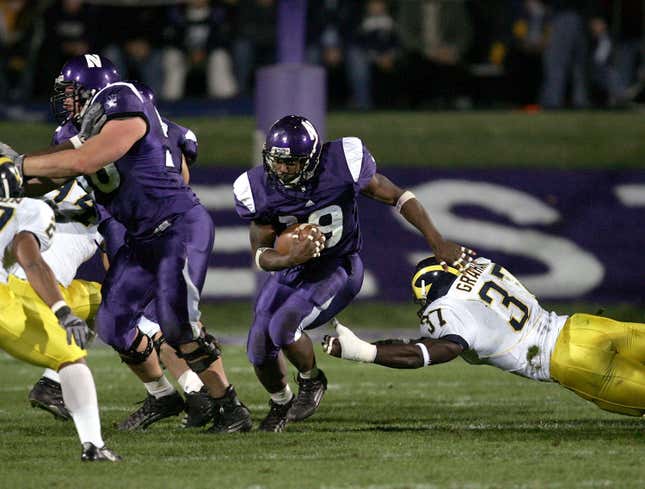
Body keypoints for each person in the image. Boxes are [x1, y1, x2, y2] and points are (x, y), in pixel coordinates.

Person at [0, 53, 252, 433]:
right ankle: (165, 396)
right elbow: (52, 179)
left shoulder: (123, 101)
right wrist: (12, 180)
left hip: (177, 228)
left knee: (177, 325)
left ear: (93, 91)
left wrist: (18, 166)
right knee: (114, 324)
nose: (65, 102)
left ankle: (229, 406)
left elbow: (87, 160)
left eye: (71, 93)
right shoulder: (76, 132)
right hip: (140, 237)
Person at [233, 114, 475, 431]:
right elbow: (261, 253)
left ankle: (311, 380)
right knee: (258, 346)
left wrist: (437, 241)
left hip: (338, 266)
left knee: (282, 326)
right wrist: (289, 257)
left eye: (289, 163)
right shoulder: (258, 187)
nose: (280, 169)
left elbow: (398, 196)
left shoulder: (341, 163)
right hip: (291, 270)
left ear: (310, 159)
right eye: (276, 161)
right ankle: (281, 404)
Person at [323, 256, 645, 418]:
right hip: (582, 326)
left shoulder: (447, 310)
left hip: (569, 361)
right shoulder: (478, 265)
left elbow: (436, 350)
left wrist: (365, 353)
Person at [0, 161, 120, 461]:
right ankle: (93, 445)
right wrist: (62, 311)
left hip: (16, 290)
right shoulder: (29, 211)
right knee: (69, 356)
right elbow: (33, 262)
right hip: (13, 297)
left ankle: (51, 386)